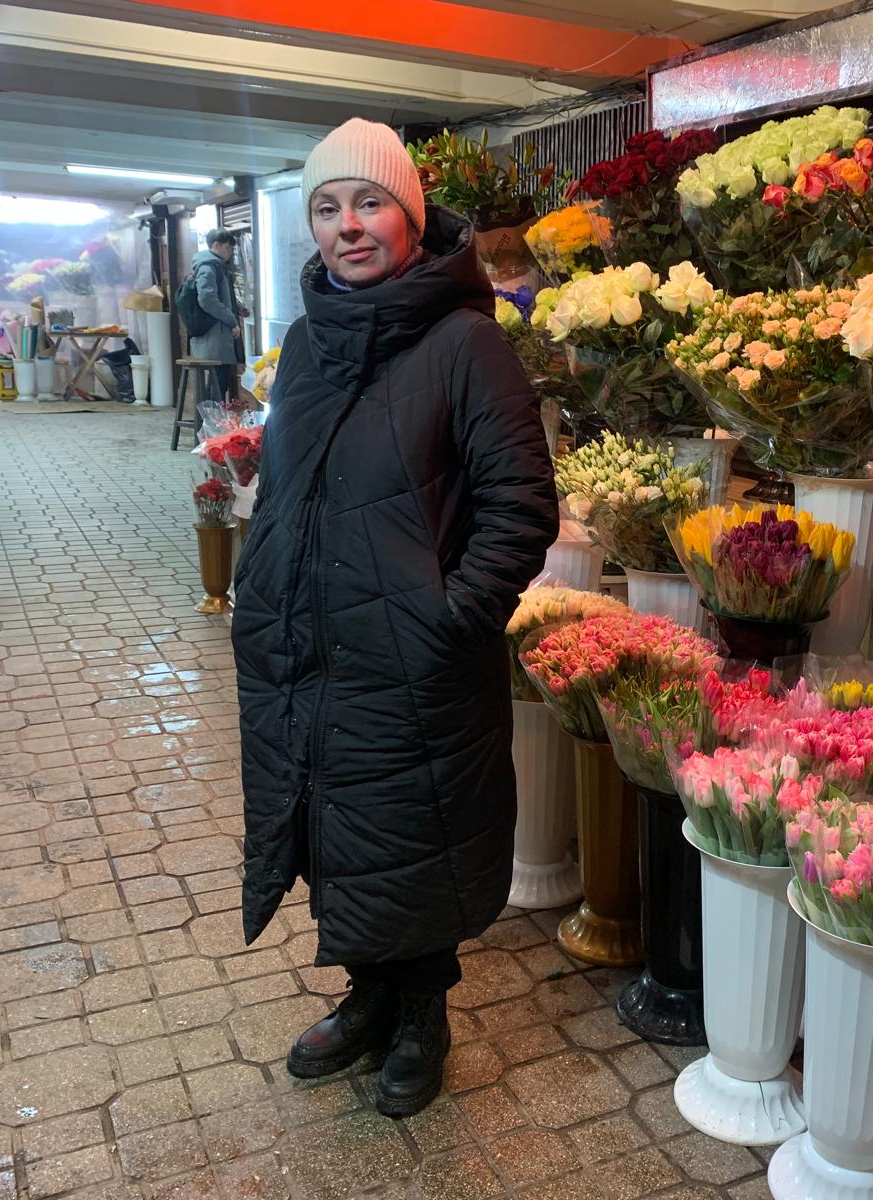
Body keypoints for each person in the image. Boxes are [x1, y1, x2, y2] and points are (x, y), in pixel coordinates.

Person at [231, 118, 558, 1118]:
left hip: (411, 654)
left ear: (411, 218)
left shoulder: (467, 344)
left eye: (369, 203)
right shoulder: (306, 345)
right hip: (306, 647)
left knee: (414, 827)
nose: (348, 226)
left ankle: (422, 1011)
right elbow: (301, 479)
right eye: (327, 209)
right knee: (336, 822)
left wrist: (448, 617)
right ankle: (369, 993)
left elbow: (520, 505)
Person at [189, 228, 247, 402]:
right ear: (216, 245)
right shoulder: (209, 266)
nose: (231, 252)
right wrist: (231, 320)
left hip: (218, 336)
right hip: (214, 337)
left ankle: (210, 425)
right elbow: (207, 299)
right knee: (218, 384)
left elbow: (219, 296)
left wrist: (238, 308)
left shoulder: (215, 265)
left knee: (219, 383)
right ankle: (211, 426)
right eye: (229, 248)